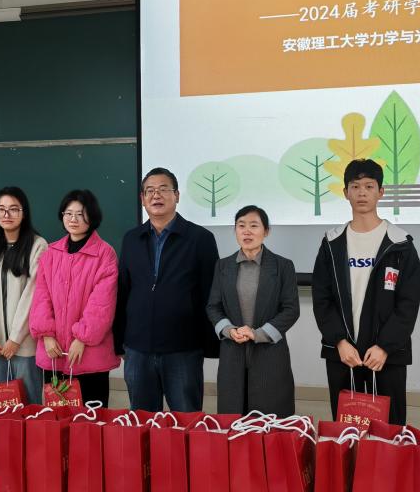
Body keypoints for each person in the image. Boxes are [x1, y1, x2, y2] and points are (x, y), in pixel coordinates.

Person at [311, 158, 420, 425]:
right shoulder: (332, 243)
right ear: (345, 192)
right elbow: (322, 298)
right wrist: (339, 341)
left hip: (386, 356)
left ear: (381, 192)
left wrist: (384, 346)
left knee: (388, 432)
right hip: (343, 354)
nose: (362, 193)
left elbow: (408, 304)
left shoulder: (400, 243)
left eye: (369, 186)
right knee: (346, 430)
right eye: (355, 186)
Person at [113, 167, 219, 412]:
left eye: (163, 189)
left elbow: (210, 292)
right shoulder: (131, 239)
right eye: (149, 191)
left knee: (186, 420)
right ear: (142, 199)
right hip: (138, 348)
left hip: (183, 348)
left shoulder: (200, 238)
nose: (156, 195)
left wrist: (209, 345)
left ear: (177, 196)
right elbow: (123, 291)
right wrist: (120, 342)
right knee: (142, 421)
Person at [206, 205, 299, 416]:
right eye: (241, 226)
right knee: (233, 418)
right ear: (235, 230)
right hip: (233, 352)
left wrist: (258, 334)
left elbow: (291, 309)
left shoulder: (283, 266)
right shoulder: (223, 266)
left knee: (270, 421)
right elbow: (213, 306)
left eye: (254, 225)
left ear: (266, 231)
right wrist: (229, 330)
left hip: (269, 354)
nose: (247, 231)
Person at [29, 189, 119, 407]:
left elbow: (102, 304)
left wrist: (82, 338)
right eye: (68, 213)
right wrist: (46, 335)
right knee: (57, 417)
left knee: (91, 418)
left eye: (81, 214)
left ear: (92, 217)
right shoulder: (50, 253)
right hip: (54, 351)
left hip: (89, 353)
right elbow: (41, 297)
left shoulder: (105, 254)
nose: (73, 219)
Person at [0, 186, 48, 405]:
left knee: (30, 405)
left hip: (25, 346)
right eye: (1, 209)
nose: (7, 214)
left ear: (24, 213)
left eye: (14, 209)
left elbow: (34, 295)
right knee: (0, 407)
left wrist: (15, 338)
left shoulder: (38, 246)